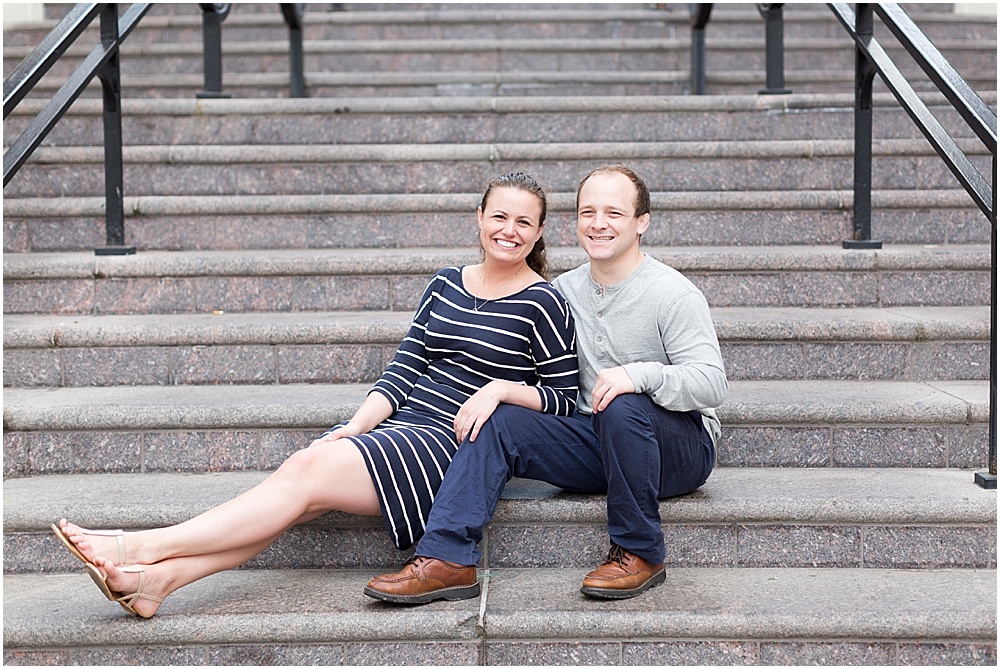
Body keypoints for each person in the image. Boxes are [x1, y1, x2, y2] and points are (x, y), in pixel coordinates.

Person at [52, 172, 578, 618]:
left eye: (523, 222)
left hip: (455, 446)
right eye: (499, 216)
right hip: (403, 425)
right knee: (298, 495)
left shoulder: (544, 301)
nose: (509, 231)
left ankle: (140, 546)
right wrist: (356, 426)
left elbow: (562, 398)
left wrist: (500, 391)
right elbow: (403, 371)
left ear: (538, 233)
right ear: (479, 217)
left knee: (303, 475)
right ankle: (156, 584)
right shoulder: (445, 283)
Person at [365, 164, 727, 603]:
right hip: (595, 440)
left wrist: (638, 375)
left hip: (677, 449)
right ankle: (448, 559)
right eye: (587, 212)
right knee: (501, 420)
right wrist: (498, 389)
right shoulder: (563, 292)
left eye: (613, 213)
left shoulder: (673, 293)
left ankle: (640, 553)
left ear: (641, 222)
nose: (598, 223)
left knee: (621, 403)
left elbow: (711, 383)